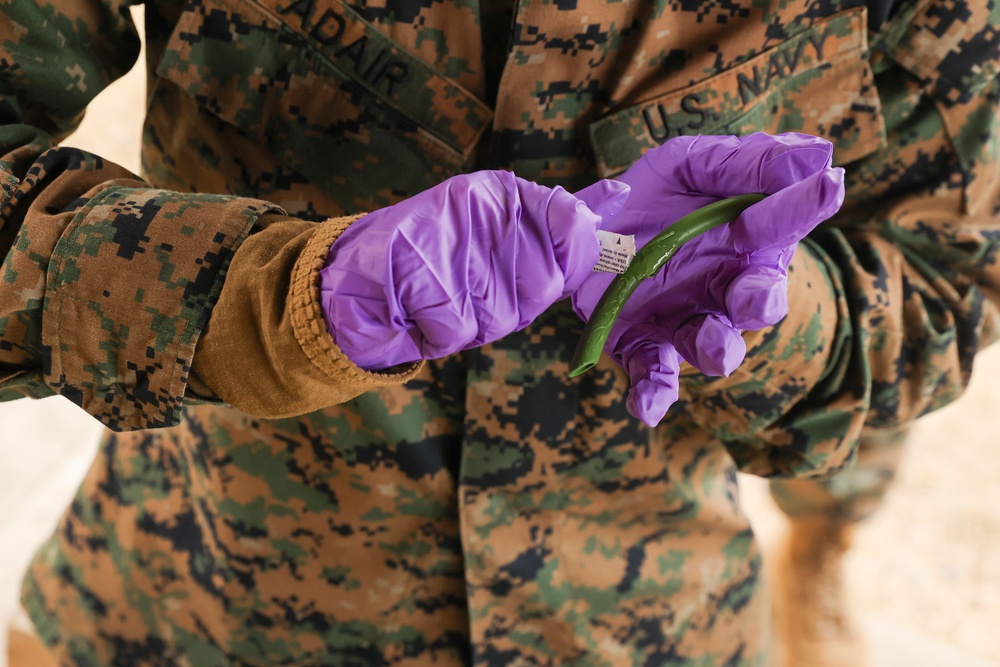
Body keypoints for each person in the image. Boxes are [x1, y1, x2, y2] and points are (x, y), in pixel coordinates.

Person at [2, 0, 998, 665]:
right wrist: (268, 302)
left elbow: (947, 273)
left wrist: (772, 314)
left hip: (646, 613)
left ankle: (823, 549)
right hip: (191, 597)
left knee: (839, 489)